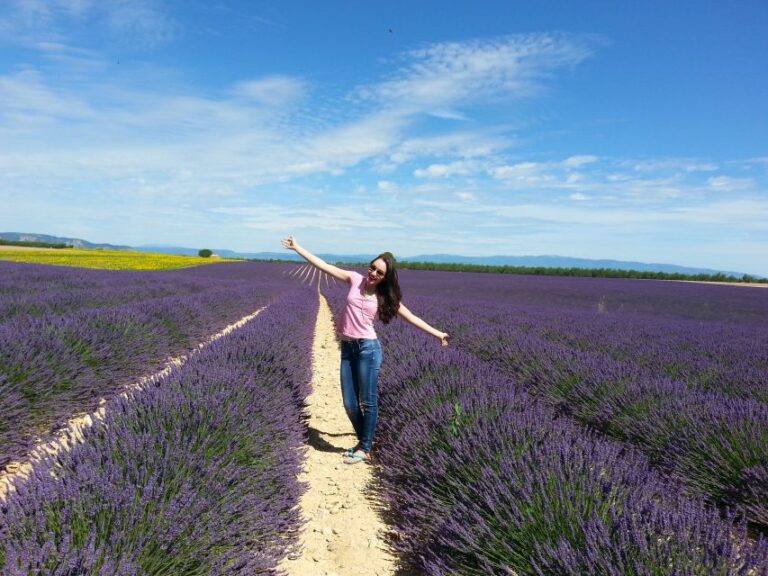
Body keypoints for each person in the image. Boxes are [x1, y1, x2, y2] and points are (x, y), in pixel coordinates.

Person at [281, 235, 449, 465]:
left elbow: (411, 317)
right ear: (368, 266)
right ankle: (364, 443)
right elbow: (325, 266)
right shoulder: (354, 279)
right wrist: (298, 248)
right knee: (350, 402)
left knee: (367, 402)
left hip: (368, 350)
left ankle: (366, 448)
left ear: (385, 278)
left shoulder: (383, 297)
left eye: (380, 273)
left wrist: (437, 333)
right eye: (373, 268)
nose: (374, 274)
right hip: (348, 348)